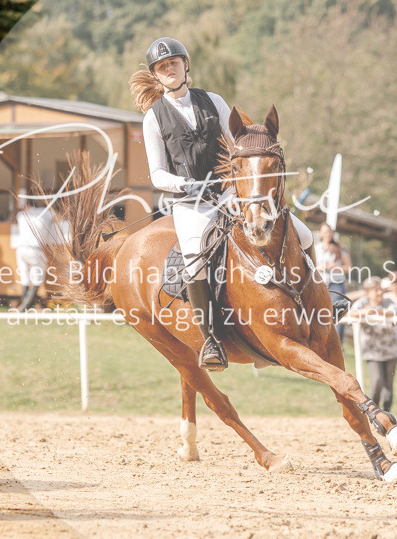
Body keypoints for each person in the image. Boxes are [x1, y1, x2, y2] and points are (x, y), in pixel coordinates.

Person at [131, 37, 316, 371]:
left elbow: (238, 146)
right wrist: (187, 183)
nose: (169, 70)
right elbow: (157, 174)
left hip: (231, 196)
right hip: (191, 205)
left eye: (173, 63)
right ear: (156, 76)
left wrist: (243, 182)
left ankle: (319, 306)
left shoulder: (211, 100)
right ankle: (211, 342)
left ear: (185, 65)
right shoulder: (153, 118)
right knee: (194, 263)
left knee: (304, 236)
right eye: (162, 67)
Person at [349, 277, 397, 412]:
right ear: (367, 293)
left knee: (388, 384)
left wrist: (376, 311)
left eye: (381, 290)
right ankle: (373, 411)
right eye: (376, 290)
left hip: (391, 348)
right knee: (377, 381)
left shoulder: (388, 302)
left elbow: (393, 312)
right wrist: (364, 312)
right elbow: (351, 314)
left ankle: (387, 413)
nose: (380, 293)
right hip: (372, 351)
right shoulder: (362, 303)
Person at [14, 192, 54, 311]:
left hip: (21, 249)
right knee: (37, 280)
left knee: (25, 278)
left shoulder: (20, 215)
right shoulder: (45, 213)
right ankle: (24, 307)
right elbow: (57, 215)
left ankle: (24, 307)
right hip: (36, 250)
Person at [315, 223, 353, 340]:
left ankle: (337, 341)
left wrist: (334, 266)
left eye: (329, 231)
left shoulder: (340, 248)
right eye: (325, 231)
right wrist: (318, 267)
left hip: (336, 283)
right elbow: (310, 266)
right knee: (319, 312)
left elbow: (349, 267)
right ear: (320, 233)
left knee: (336, 312)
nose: (328, 234)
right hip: (320, 283)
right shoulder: (316, 248)